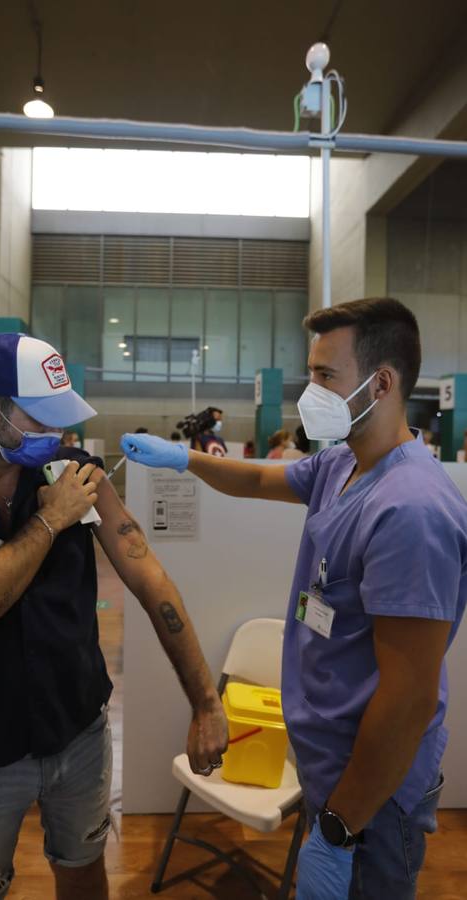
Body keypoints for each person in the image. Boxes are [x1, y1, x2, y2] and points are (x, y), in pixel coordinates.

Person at [120, 297, 467, 899]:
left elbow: (408, 702)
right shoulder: (342, 465)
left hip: (372, 797)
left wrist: (338, 829)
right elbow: (256, 479)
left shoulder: (411, 509)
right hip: (329, 764)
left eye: (326, 376)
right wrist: (184, 458)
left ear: (381, 383)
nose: (311, 392)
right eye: (312, 373)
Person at [0, 333, 227, 900]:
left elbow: (149, 579)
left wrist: (206, 701)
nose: (59, 437)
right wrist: (50, 523)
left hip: (79, 736)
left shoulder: (73, 473)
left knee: (85, 872)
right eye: (40, 421)